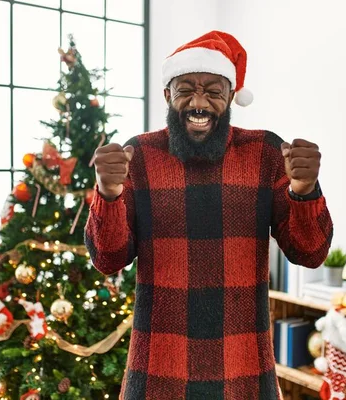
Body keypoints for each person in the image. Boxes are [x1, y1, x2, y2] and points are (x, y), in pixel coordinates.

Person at [84, 31, 333, 400]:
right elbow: (108, 259)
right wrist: (108, 192)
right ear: (168, 94)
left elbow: (310, 254)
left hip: (243, 368)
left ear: (231, 96)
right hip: (157, 369)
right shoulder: (138, 155)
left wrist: (305, 189)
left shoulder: (264, 153)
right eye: (186, 89)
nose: (198, 102)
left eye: (213, 91)